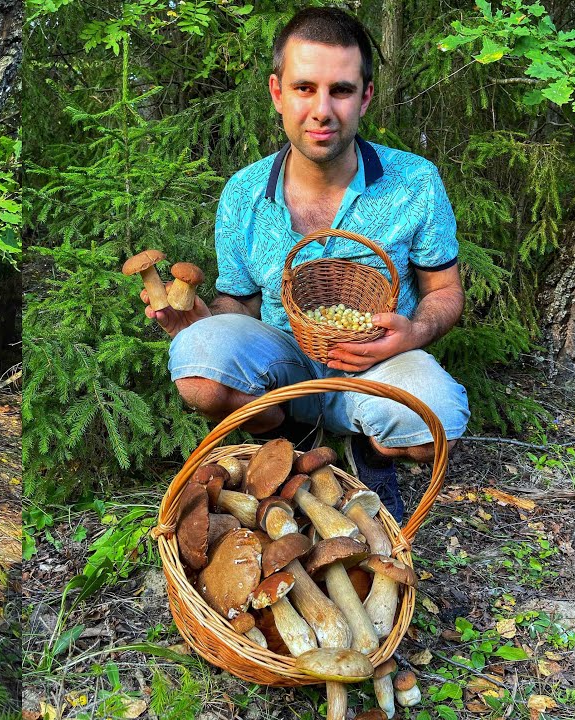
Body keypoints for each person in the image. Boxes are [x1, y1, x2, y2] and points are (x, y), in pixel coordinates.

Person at [147, 8, 469, 521]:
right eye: (304, 88)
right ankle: (287, 444)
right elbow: (242, 301)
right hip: (286, 369)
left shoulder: (415, 183)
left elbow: (445, 290)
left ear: (364, 96)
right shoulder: (244, 193)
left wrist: (412, 333)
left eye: (340, 90)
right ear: (278, 92)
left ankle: (368, 448)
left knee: (440, 423)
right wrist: (206, 321)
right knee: (198, 367)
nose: (322, 110)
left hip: (378, 363)